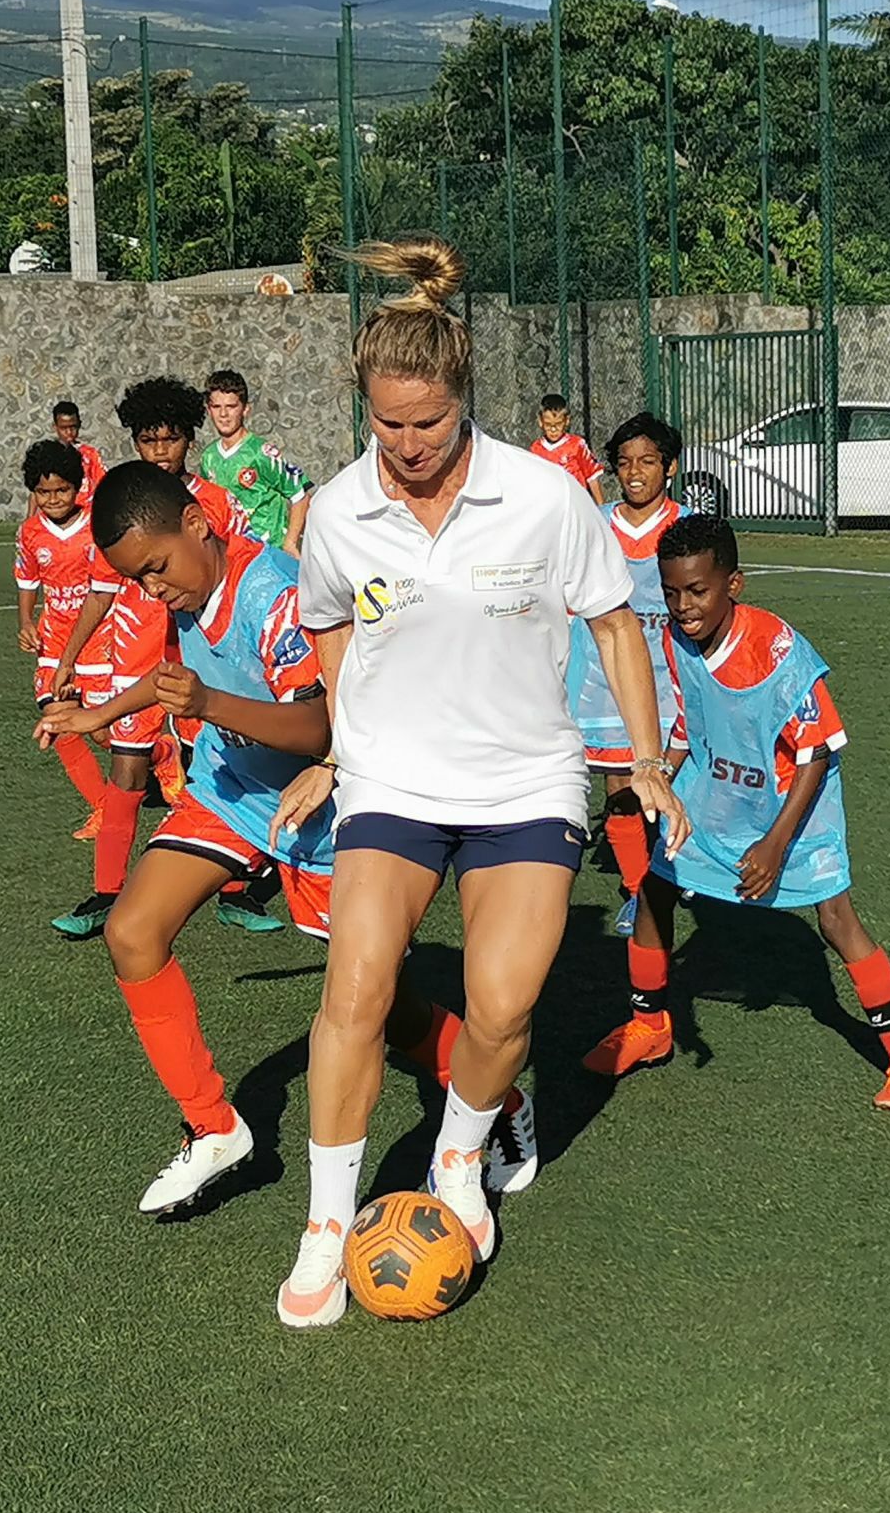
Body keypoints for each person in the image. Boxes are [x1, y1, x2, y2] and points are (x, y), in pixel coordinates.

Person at [268, 238, 690, 1329]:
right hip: (392, 784)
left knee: (501, 1006)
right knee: (352, 995)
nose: (405, 446)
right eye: (385, 423)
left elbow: (612, 624)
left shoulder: (544, 499)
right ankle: (326, 1223)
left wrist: (641, 758)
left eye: (427, 423)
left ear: (465, 399)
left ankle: (460, 1156)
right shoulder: (338, 509)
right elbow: (325, 636)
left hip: (522, 786)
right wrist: (334, 749)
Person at [40, 462, 335, 1210]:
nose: (153, 591)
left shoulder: (274, 595)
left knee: (381, 1012)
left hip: (321, 809)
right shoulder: (186, 593)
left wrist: (212, 703)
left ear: (199, 525)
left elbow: (318, 727)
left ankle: (494, 1106)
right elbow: (173, 677)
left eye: (157, 568)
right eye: (138, 579)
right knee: (134, 932)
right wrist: (96, 717)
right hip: (230, 797)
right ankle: (213, 1128)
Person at [583, 514, 890, 1112]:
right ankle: (650, 1026)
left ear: (735, 584)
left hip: (794, 803)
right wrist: (662, 778)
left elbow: (817, 750)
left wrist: (776, 846)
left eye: (697, 591)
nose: (683, 607)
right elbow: (688, 722)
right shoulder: (677, 642)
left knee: (835, 919)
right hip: (719, 792)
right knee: (653, 891)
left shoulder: (777, 650)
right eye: (671, 593)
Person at [45, 377, 251, 939]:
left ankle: (236, 891)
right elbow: (101, 590)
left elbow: (242, 573)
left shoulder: (213, 504)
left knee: (222, 771)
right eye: (147, 440)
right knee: (127, 774)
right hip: (136, 661)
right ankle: (106, 893)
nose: (160, 452)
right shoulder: (126, 506)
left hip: (205, 664)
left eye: (171, 439)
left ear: (190, 437)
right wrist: (68, 658)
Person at [566, 412, 689, 935]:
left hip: (674, 680)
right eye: (624, 464)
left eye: (648, 462)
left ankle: (678, 868)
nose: (635, 473)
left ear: (671, 467)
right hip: (606, 682)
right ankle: (637, 890)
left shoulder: (687, 526)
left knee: (674, 783)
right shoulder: (596, 524)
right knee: (621, 786)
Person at [15, 439, 111, 839]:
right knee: (57, 722)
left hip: (100, 639)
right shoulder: (30, 532)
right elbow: (27, 581)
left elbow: (107, 588)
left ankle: (161, 756)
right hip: (54, 641)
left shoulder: (98, 525)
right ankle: (103, 808)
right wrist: (25, 620)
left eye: (62, 490)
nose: (53, 499)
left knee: (104, 733)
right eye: (43, 492)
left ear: (78, 487)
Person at [199, 369, 314, 556]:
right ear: (208, 409)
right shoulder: (208, 457)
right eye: (217, 407)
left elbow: (299, 494)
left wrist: (290, 543)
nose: (223, 414)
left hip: (268, 553)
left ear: (245, 409)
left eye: (231, 406)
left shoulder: (262, 453)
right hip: (230, 555)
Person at [529, 393, 604, 508]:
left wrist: (601, 508)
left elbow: (592, 477)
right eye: (548, 425)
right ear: (540, 421)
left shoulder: (577, 445)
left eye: (558, 424)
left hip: (576, 505)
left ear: (566, 421)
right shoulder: (536, 449)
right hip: (549, 507)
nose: (553, 429)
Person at [52, 400, 106, 508]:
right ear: (55, 427)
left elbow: (102, 482)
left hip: (86, 510)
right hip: (59, 509)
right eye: (63, 428)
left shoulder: (90, 454)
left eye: (73, 427)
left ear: (79, 425)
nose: (69, 432)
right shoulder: (49, 454)